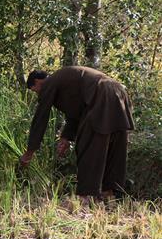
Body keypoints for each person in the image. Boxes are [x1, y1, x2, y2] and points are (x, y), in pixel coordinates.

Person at [19, 66, 134, 203]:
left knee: (88, 145)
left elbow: (40, 118)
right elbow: (76, 113)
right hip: (119, 93)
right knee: (114, 145)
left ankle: (86, 196)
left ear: (38, 82)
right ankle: (109, 193)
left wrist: (29, 152)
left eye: (34, 89)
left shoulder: (49, 83)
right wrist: (65, 137)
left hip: (101, 94)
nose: (37, 93)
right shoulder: (64, 82)